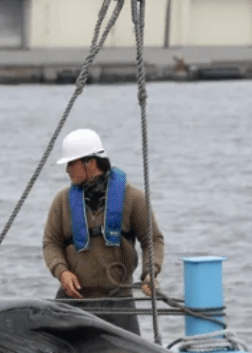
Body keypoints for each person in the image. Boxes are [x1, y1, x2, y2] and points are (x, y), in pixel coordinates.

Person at [42, 129, 164, 335]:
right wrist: (62, 271)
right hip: (73, 302)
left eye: (71, 163)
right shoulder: (62, 201)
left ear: (90, 163)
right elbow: (50, 243)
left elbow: (152, 240)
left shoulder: (133, 198)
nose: (67, 170)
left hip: (118, 302)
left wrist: (150, 273)